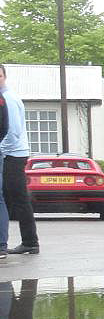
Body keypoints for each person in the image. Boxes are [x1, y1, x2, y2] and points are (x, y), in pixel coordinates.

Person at [0, 64, 40, 256]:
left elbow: (12, 131)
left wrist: (1, 149)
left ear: (4, 77)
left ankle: (30, 242)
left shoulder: (8, 98)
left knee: (18, 198)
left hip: (12, 154)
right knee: (9, 198)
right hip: (12, 153)